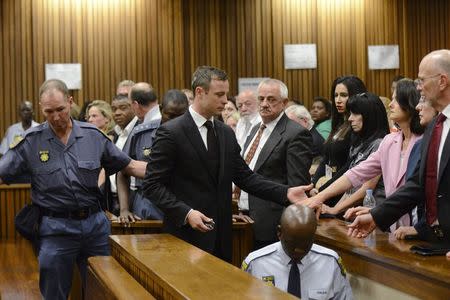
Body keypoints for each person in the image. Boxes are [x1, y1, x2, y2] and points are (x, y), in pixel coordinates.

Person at [142, 66, 311, 262]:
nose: (225, 100)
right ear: (200, 92)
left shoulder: (225, 133)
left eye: (226, 94)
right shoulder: (171, 132)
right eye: (219, 94)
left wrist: (285, 192)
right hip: (185, 237)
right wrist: (186, 213)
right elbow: (152, 186)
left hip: (222, 240)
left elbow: (245, 177)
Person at [0, 79, 147, 299]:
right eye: (49, 111)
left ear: (70, 101)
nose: (56, 117)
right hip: (55, 229)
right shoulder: (31, 142)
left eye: (60, 109)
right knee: (54, 292)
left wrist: (170, 170)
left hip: (95, 227)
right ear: (41, 108)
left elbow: (131, 166)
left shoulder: (93, 136)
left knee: (104, 290)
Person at [347, 50, 450, 258]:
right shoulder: (436, 126)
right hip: (435, 241)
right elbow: (419, 185)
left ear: (442, 81)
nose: (418, 86)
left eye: (422, 80)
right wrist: (376, 216)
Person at [236, 79, 313, 249]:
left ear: (284, 103)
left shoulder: (296, 133)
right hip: (242, 216)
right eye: (261, 98)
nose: (264, 104)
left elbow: (297, 184)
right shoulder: (255, 128)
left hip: (271, 222)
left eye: (271, 99)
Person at [242, 204, 352, 299]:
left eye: (305, 242)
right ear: (279, 233)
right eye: (293, 242)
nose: (299, 249)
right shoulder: (256, 264)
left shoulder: (330, 263)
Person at [118, 89, 189, 222]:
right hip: (147, 208)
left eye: (181, 116)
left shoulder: (195, 134)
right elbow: (122, 171)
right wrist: (124, 209)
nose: (175, 121)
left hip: (183, 207)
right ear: (161, 109)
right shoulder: (141, 133)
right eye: (171, 115)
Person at [311, 76, 367, 199]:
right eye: (336, 95)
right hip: (327, 188)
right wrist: (313, 184)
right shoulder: (339, 124)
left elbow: (350, 165)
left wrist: (323, 190)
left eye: (343, 95)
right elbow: (326, 158)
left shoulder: (358, 126)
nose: (338, 100)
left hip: (344, 191)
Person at [107, 94, 139, 214]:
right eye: (114, 109)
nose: (117, 113)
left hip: (134, 197)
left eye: (123, 108)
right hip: (114, 199)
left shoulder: (139, 130)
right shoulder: (113, 133)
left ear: (133, 108)